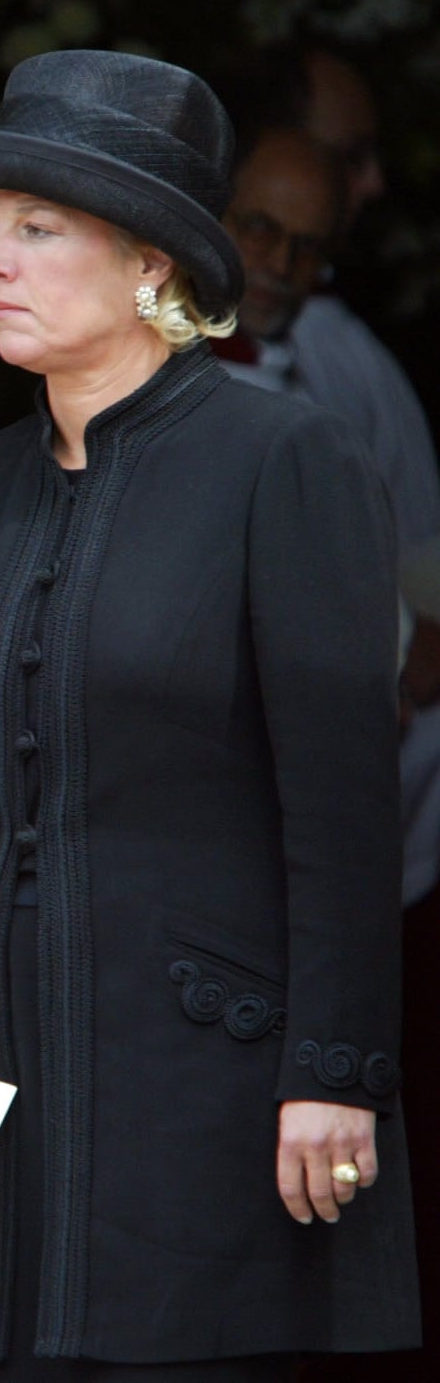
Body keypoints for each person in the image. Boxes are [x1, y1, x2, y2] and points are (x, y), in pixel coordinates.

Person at [0, 50, 419, 1380]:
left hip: (203, 1083)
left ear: (151, 266)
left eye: (36, 228)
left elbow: (344, 798)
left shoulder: (281, 459)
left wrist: (333, 1064)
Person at [213, 126, 440, 905]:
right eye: (259, 229)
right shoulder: (141, 379)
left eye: (306, 248)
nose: (279, 266)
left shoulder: (306, 381)